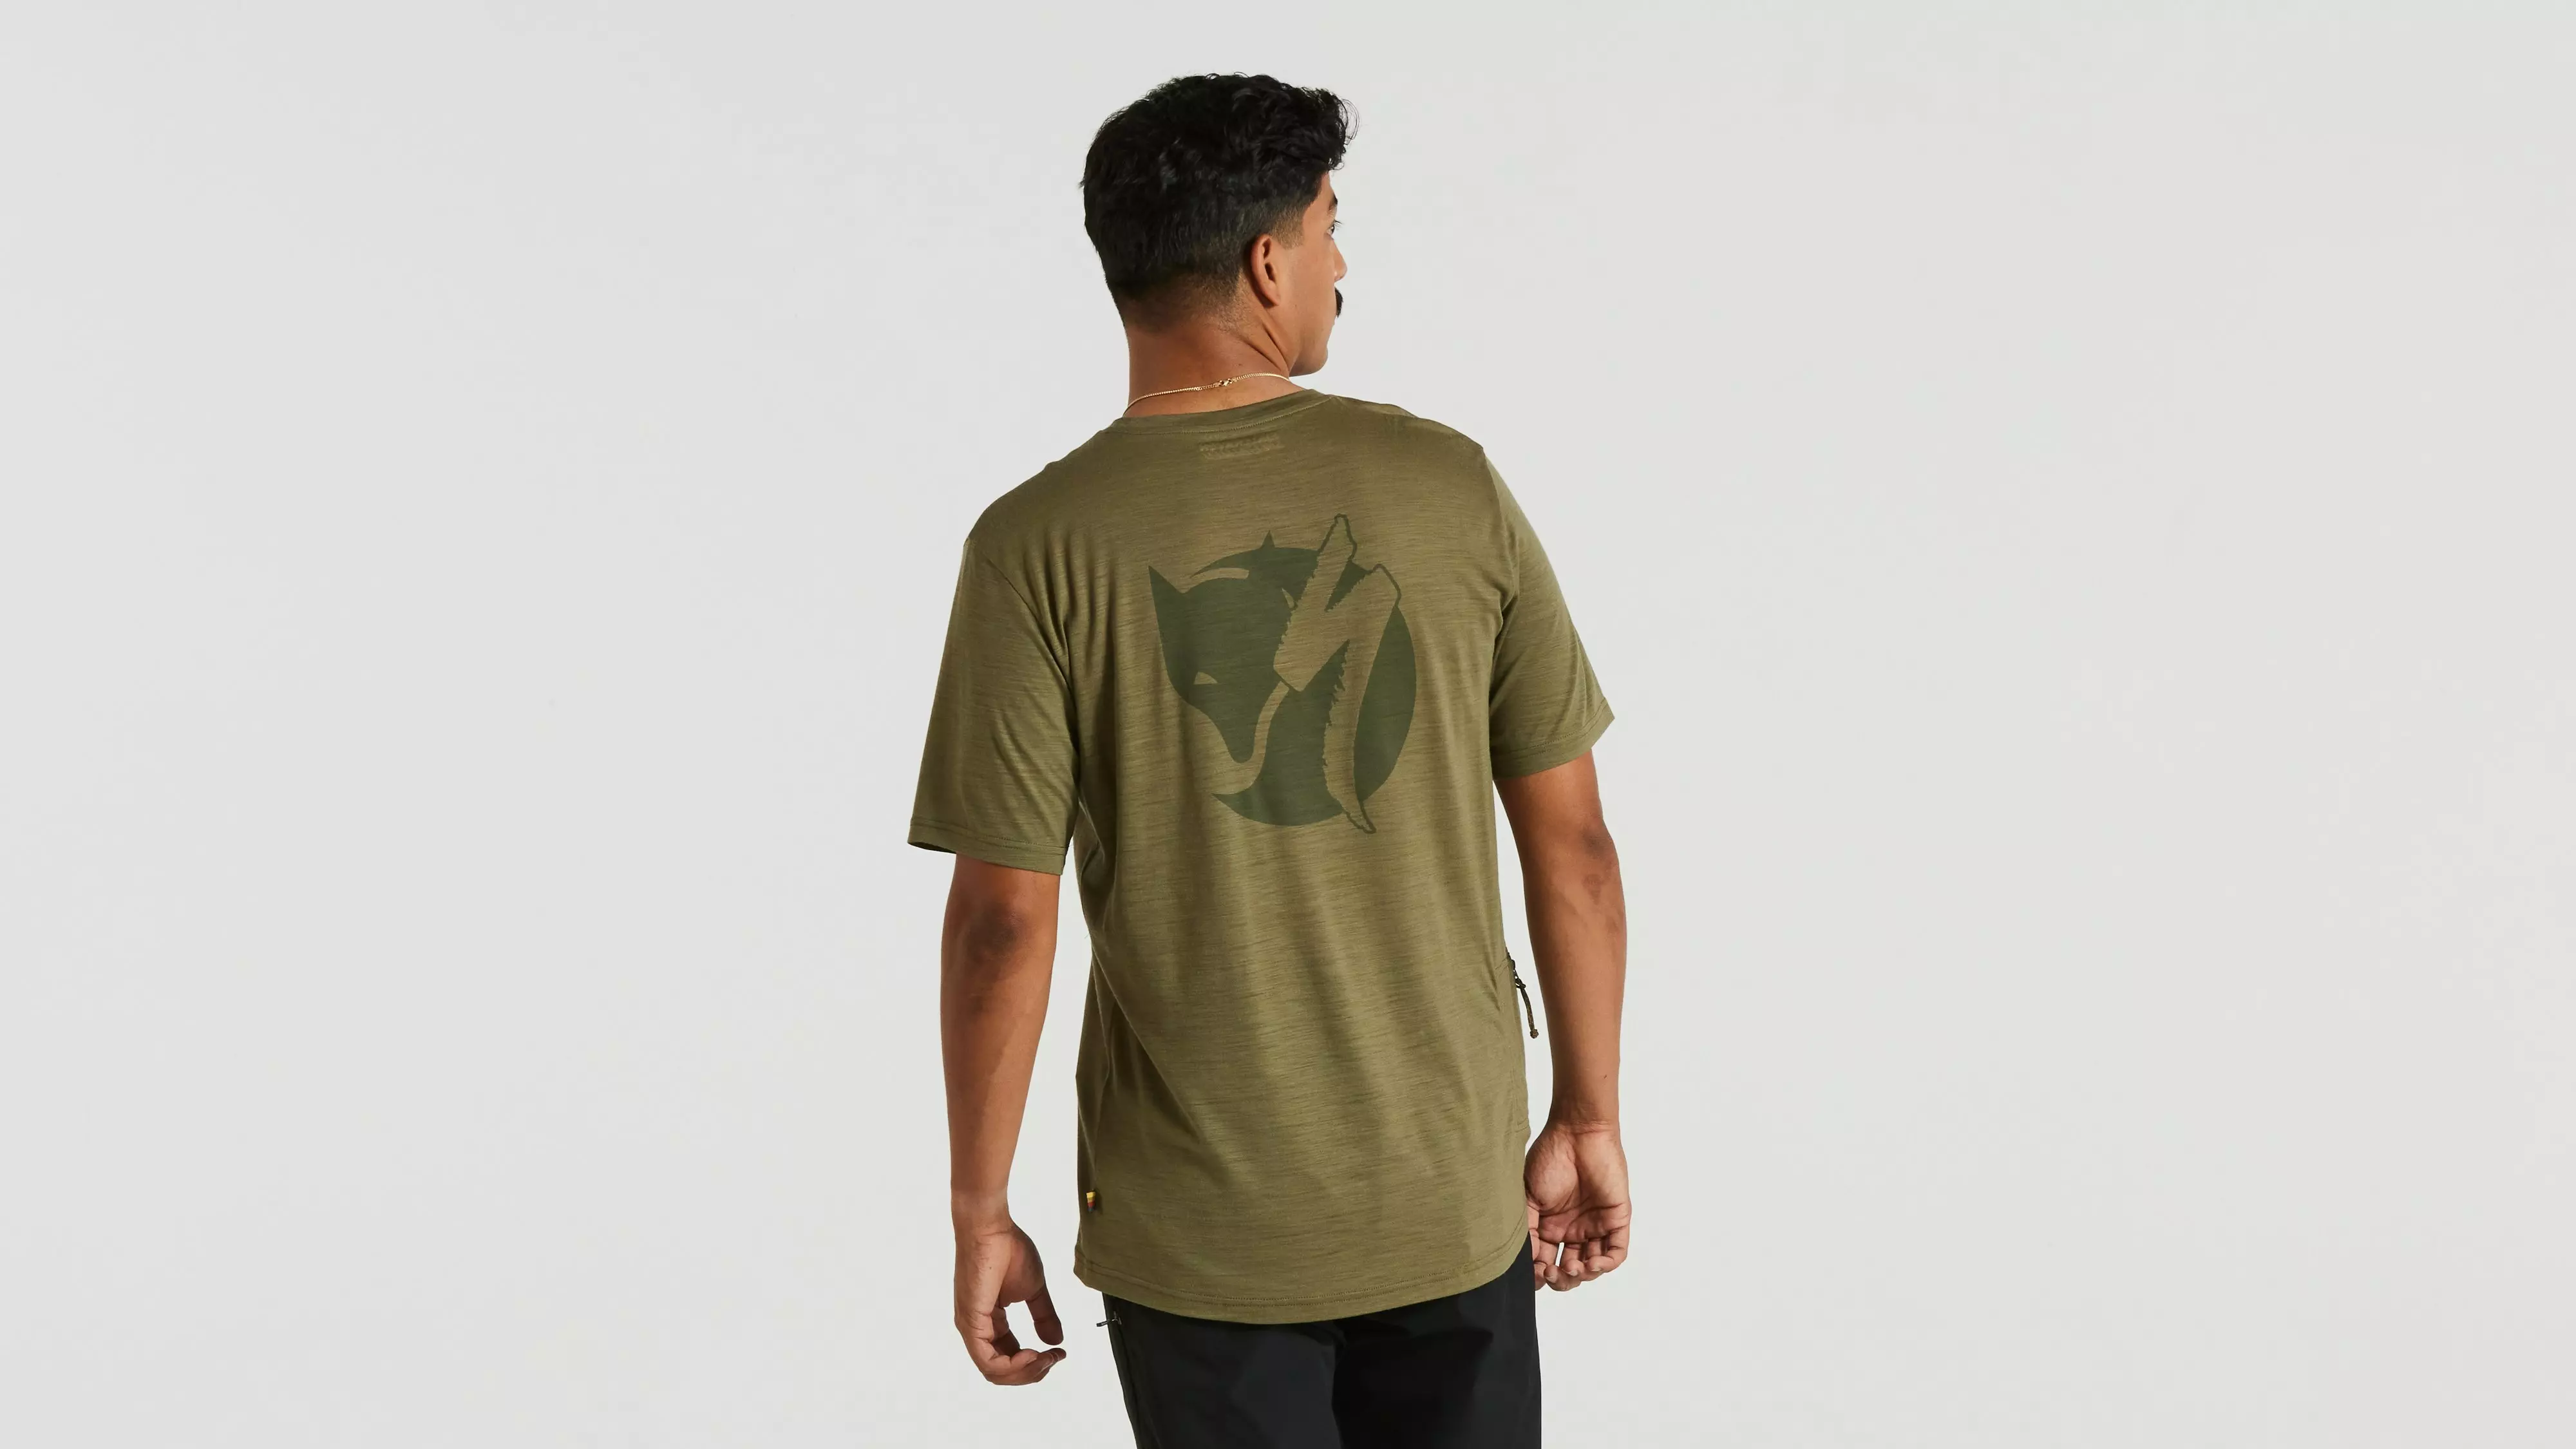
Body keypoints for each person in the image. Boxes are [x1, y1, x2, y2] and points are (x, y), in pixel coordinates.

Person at [909, 72, 1631, 1447]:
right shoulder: (1449, 485)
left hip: (1198, 1230)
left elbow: (1003, 918)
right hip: (1444, 1193)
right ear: (1264, 261)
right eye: (1328, 227)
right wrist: (1586, 1116)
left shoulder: (1034, 546)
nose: (1339, 264)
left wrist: (978, 1209)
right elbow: (1576, 849)